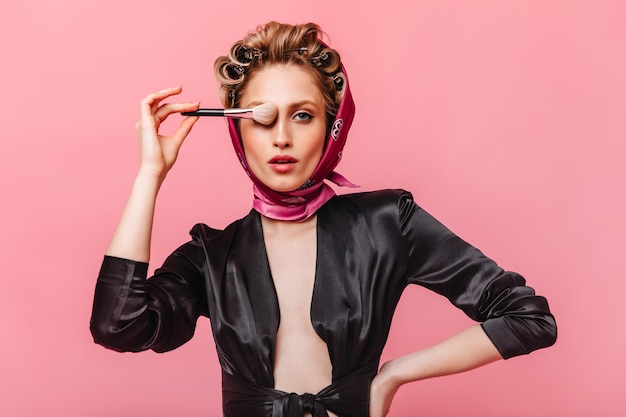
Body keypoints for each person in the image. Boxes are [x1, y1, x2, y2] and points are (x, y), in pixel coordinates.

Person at [90, 21, 557, 417]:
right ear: (237, 129)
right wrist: (150, 175)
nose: (281, 139)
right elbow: (118, 325)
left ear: (333, 127)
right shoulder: (211, 256)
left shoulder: (387, 222)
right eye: (262, 118)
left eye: (303, 116)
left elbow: (528, 318)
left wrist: (394, 374)